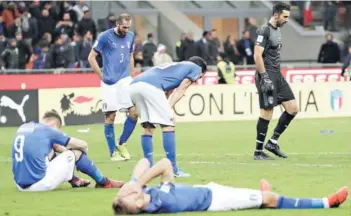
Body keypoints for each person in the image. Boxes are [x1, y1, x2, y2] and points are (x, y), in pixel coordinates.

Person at [112, 158, 348, 214]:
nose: (136, 196)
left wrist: (133, 184)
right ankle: (327, 202)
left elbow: (144, 161)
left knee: (260, 197)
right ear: (135, 209)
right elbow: (163, 164)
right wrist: (137, 185)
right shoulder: (160, 202)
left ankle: (261, 196)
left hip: (210, 190)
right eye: (132, 199)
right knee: (272, 199)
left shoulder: (149, 197)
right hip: (216, 201)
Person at [128, 56, 208, 177]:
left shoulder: (176, 67)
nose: (196, 79)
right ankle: (173, 170)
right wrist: (167, 109)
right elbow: (180, 90)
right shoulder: (195, 68)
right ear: (201, 69)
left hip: (134, 85)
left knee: (148, 126)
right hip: (150, 87)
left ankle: (147, 166)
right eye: (200, 76)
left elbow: (168, 90)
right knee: (169, 124)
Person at [12, 110, 124, 192]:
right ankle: (104, 182)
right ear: (55, 126)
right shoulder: (49, 130)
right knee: (76, 153)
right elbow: (83, 145)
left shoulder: (25, 127)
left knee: (51, 154)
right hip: (39, 184)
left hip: (19, 185)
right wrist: (80, 158)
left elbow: (52, 150)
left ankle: (74, 180)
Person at [88, 13, 138, 161]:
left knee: (134, 112)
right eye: (124, 27)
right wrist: (101, 76)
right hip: (110, 82)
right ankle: (113, 153)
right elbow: (91, 57)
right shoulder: (105, 36)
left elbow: (130, 56)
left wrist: (132, 76)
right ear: (117, 24)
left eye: (129, 27)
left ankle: (121, 143)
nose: (126, 30)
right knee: (111, 116)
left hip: (125, 80)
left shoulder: (131, 36)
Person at [253, 2, 298, 160]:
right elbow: (257, 55)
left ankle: (272, 142)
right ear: (276, 14)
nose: (286, 20)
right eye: (284, 16)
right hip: (267, 74)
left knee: (292, 107)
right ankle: (258, 152)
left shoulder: (278, 30)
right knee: (267, 111)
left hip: (277, 74)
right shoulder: (264, 30)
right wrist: (264, 76)